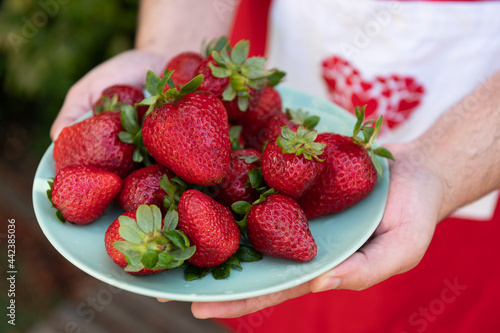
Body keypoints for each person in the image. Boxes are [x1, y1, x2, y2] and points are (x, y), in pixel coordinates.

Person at [50, 0, 500, 331]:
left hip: (474, 169)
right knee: (266, 308)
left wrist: (443, 167)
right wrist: (171, 53)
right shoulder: (221, 125)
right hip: (251, 87)